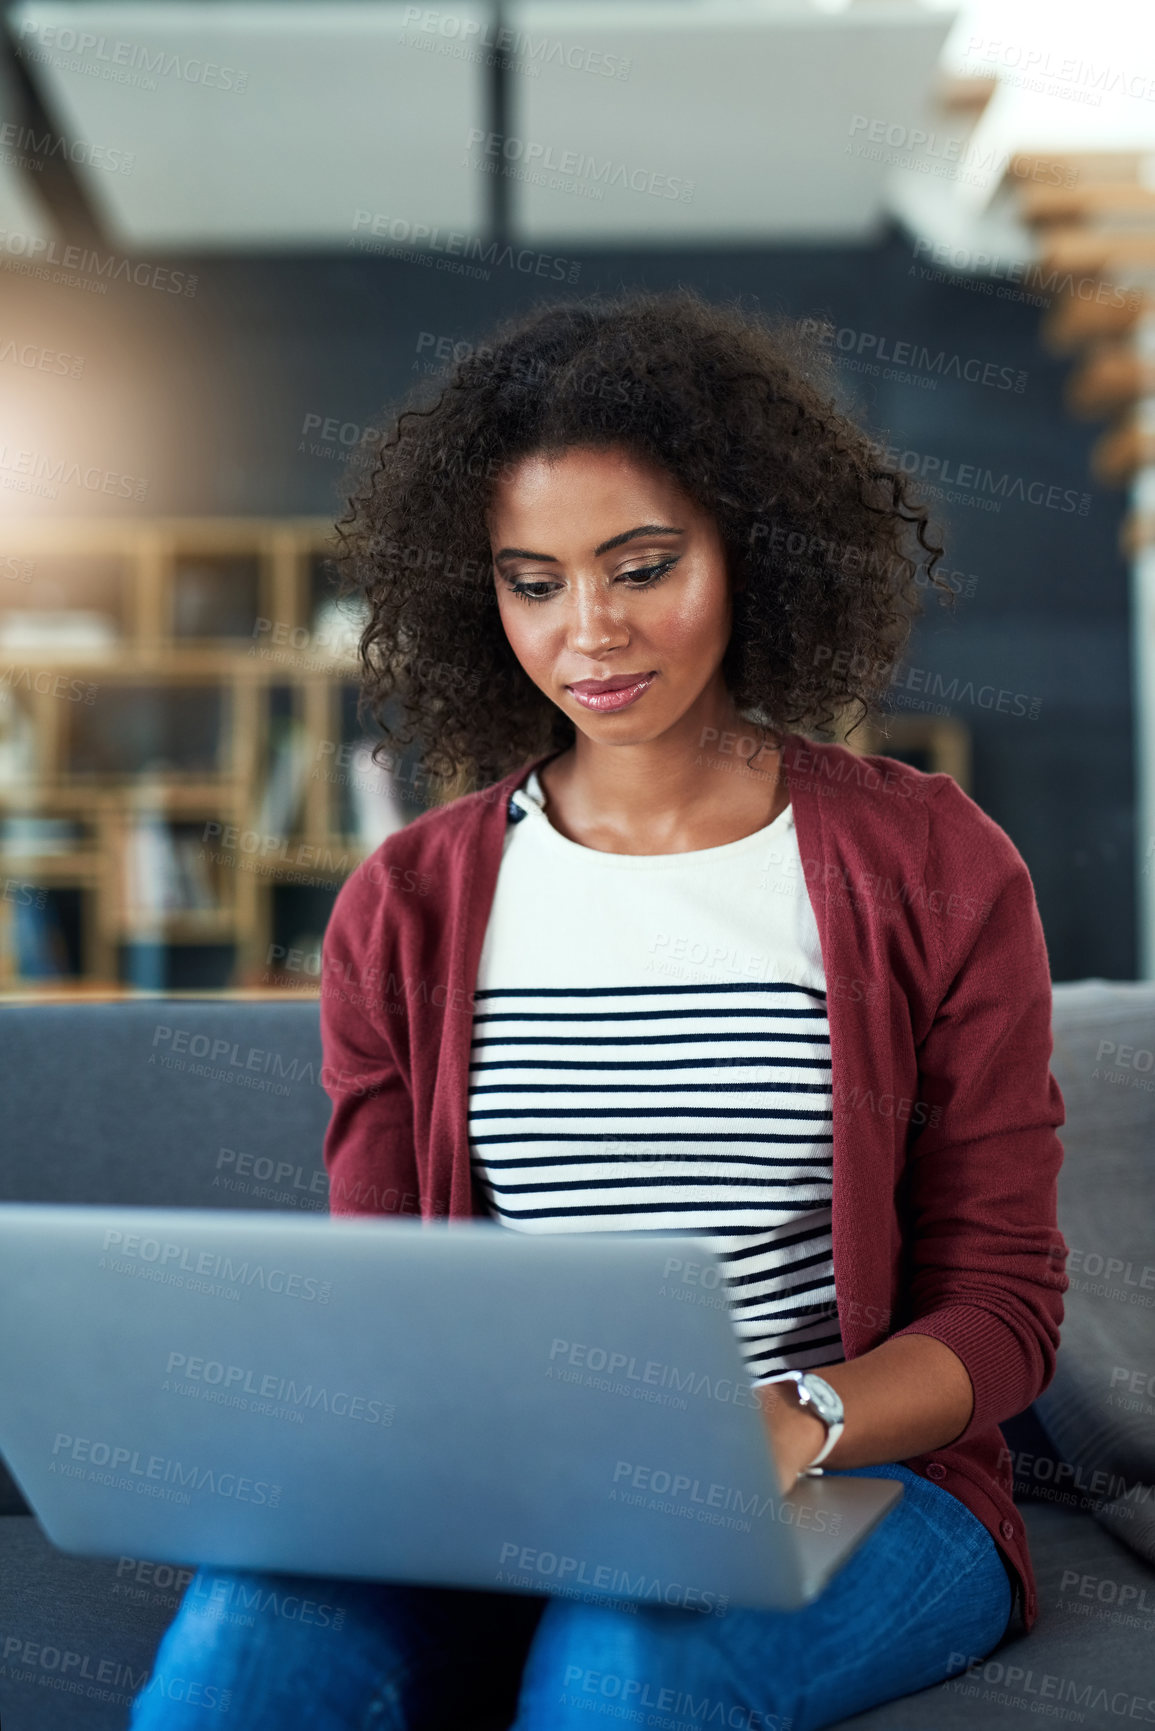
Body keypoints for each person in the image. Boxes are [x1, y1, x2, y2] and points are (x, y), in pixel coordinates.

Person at [130, 288, 1068, 1730]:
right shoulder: (410, 908)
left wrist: (799, 1418)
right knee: (237, 1649)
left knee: (626, 1668)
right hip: (507, 1487)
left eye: (642, 567)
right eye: (534, 580)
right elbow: (389, 1300)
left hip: (856, 1477)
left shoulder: (933, 866)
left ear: (750, 552)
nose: (591, 634)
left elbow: (1005, 1308)